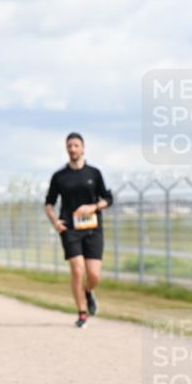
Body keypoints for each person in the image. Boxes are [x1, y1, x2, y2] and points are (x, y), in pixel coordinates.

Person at [44, 132, 113, 329]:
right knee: (77, 269)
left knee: (94, 275)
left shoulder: (94, 173)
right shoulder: (59, 176)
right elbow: (49, 204)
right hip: (70, 230)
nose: (72, 149)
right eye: (69, 146)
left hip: (93, 229)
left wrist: (93, 207)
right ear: (66, 149)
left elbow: (108, 199)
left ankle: (88, 291)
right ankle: (82, 313)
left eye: (76, 145)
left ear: (83, 148)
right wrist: (55, 222)